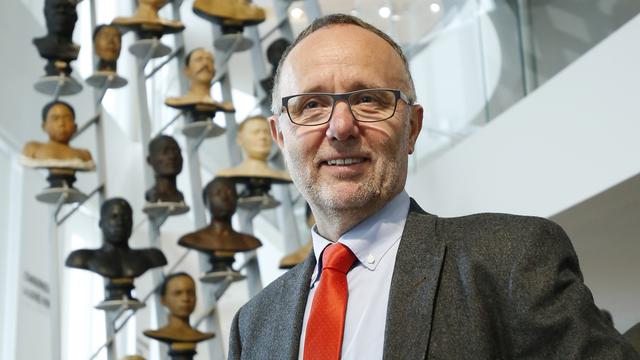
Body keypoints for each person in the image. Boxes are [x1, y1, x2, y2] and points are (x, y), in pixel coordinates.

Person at [227, 14, 639, 359]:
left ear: (412, 128)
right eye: (311, 105)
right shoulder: (254, 325)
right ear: (280, 137)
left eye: (369, 99)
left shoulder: (510, 260)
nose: (340, 127)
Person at [65, 198, 167, 301]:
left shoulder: (152, 257)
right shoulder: (82, 258)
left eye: (126, 217)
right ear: (101, 223)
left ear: (132, 222)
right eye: (114, 217)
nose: (120, 223)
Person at [178, 177, 261, 273]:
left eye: (230, 193)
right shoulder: (192, 239)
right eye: (217, 193)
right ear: (206, 201)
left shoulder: (249, 241)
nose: (225, 198)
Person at [144, 272, 214, 357]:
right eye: (178, 293)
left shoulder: (200, 335)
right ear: (163, 299)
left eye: (190, 292)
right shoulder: (160, 334)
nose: (185, 298)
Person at [164, 48, 234, 115]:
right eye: (199, 59)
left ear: (214, 72)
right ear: (187, 71)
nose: (205, 63)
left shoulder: (226, 106)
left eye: (209, 60)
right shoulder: (175, 101)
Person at [145, 135, 185, 203]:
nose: (172, 156)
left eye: (176, 151)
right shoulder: (153, 196)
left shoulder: (180, 196)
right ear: (150, 160)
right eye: (165, 152)